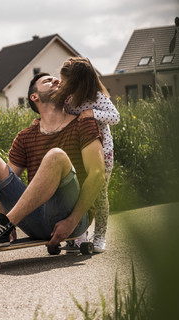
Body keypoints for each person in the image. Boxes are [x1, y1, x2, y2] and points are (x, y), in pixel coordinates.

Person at [0, 72, 105, 250]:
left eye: (57, 79)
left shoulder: (83, 124)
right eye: (47, 80)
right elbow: (6, 182)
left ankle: (3, 226)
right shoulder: (25, 137)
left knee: (56, 155)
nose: (56, 80)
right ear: (34, 96)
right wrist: (3, 214)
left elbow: (98, 174)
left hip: (72, 219)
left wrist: (72, 220)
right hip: (35, 219)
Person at [52, 57, 120, 253]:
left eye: (65, 81)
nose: (62, 84)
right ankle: (80, 234)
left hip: (103, 153)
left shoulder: (97, 97)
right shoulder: (68, 100)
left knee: (99, 194)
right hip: (78, 153)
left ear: (78, 82)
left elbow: (115, 117)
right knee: (78, 193)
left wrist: (94, 114)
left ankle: (100, 235)